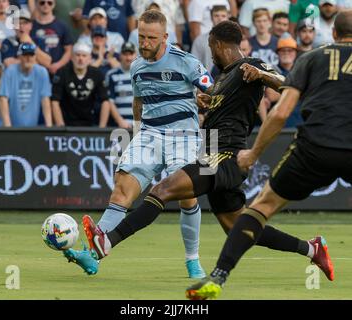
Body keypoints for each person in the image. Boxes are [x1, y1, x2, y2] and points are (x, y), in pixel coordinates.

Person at [79, 21, 333, 297]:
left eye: (211, 47)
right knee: (240, 227)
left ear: (221, 45)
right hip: (212, 151)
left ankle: (107, 242)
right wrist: (206, 105)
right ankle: (312, 248)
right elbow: (224, 111)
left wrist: (261, 74)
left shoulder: (251, 65)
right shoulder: (223, 78)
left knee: (161, 190)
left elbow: (287, 85)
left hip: (226, 155)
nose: (210, 54)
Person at [188, 9, 352, 300]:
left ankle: (218, 276)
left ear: (334, 35)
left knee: (261, 207)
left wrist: (253, 153)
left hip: (314, 147)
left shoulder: (312, 58)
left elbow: (281, 113)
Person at [65, 10, 214, 278]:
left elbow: (213, 93)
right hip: (149, 134)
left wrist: (206, 101)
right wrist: (136, 134)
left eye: (150, 38)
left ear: (165, 37)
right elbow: (138, 102)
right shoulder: (137, 66)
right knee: (121, 190)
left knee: (187, 197)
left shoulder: (187, 63)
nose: (144, 42)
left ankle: (193, 260)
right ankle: (92, 255)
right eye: (141, 36)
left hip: (184, 136)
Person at [51, 42, 110, 127]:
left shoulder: (97, 74)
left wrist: (102, 128)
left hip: (90, 123)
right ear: (72, 57)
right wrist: (61, 126)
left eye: (84, 55)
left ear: (89, 58)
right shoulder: (62, 73)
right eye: (78, 55)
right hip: (66, 124)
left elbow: (105, 101)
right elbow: (55, 101)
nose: (80, 59)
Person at [0, 42, 52, 127]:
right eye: (25, 55)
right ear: (19, 56)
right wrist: (8, 128)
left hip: (33, 125)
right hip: (10, 124)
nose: (28, 58)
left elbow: (45, 99)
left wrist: (49, 127)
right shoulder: (10, 71)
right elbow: (3, 99)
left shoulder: (42, 72)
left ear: (35, 57)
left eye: (31, 55)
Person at [31, 0, 73, 76]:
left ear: (54, 4)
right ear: (36, 4)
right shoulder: (30, 26)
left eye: (49, 3)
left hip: (58, 72)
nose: (46, 5)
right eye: (42, 2)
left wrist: (58, 65)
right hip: (35, 72)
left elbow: (69, 50)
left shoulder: (62, 26)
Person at [101, 42, 137, 128]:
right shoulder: (111, 75)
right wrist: (120, 121)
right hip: (119, 125)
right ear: (120, 55)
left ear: (135, 55)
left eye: (131, 54)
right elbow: (110, 101)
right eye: (125, 54)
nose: (128, 58)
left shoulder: (143, 74)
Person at [191, 5, 230, 73]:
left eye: (223, 16)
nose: (220, 19)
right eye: (216, 16)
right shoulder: (200, 40)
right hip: (208, 80)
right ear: (211, 18)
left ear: (228, 18)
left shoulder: (233, 39)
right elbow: (194, 65)